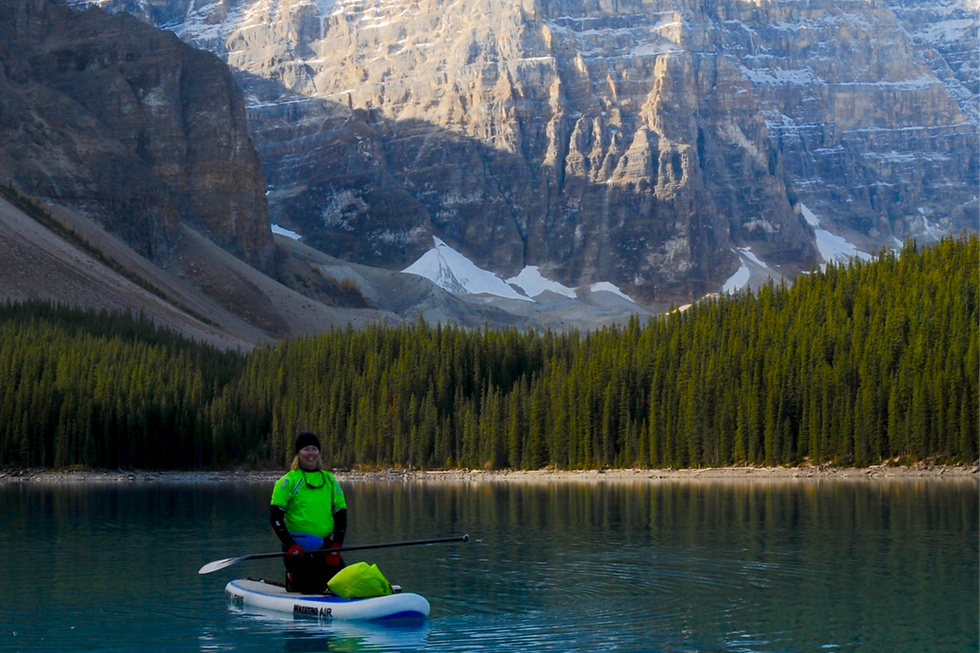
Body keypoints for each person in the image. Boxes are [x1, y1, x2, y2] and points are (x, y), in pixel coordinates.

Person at [270, 431, 348, 594]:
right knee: (310, 588)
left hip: (325, 547)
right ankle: (292, 578)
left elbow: (340, 513)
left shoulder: (329, 480)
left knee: (344, 583)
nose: (311, 453)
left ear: (319, 453)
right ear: (298, 453)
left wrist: (337, 545)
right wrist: (290, 545)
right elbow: (275, 517)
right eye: (306, 449)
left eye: (314, 449)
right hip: (297, 549)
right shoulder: (287, 481)